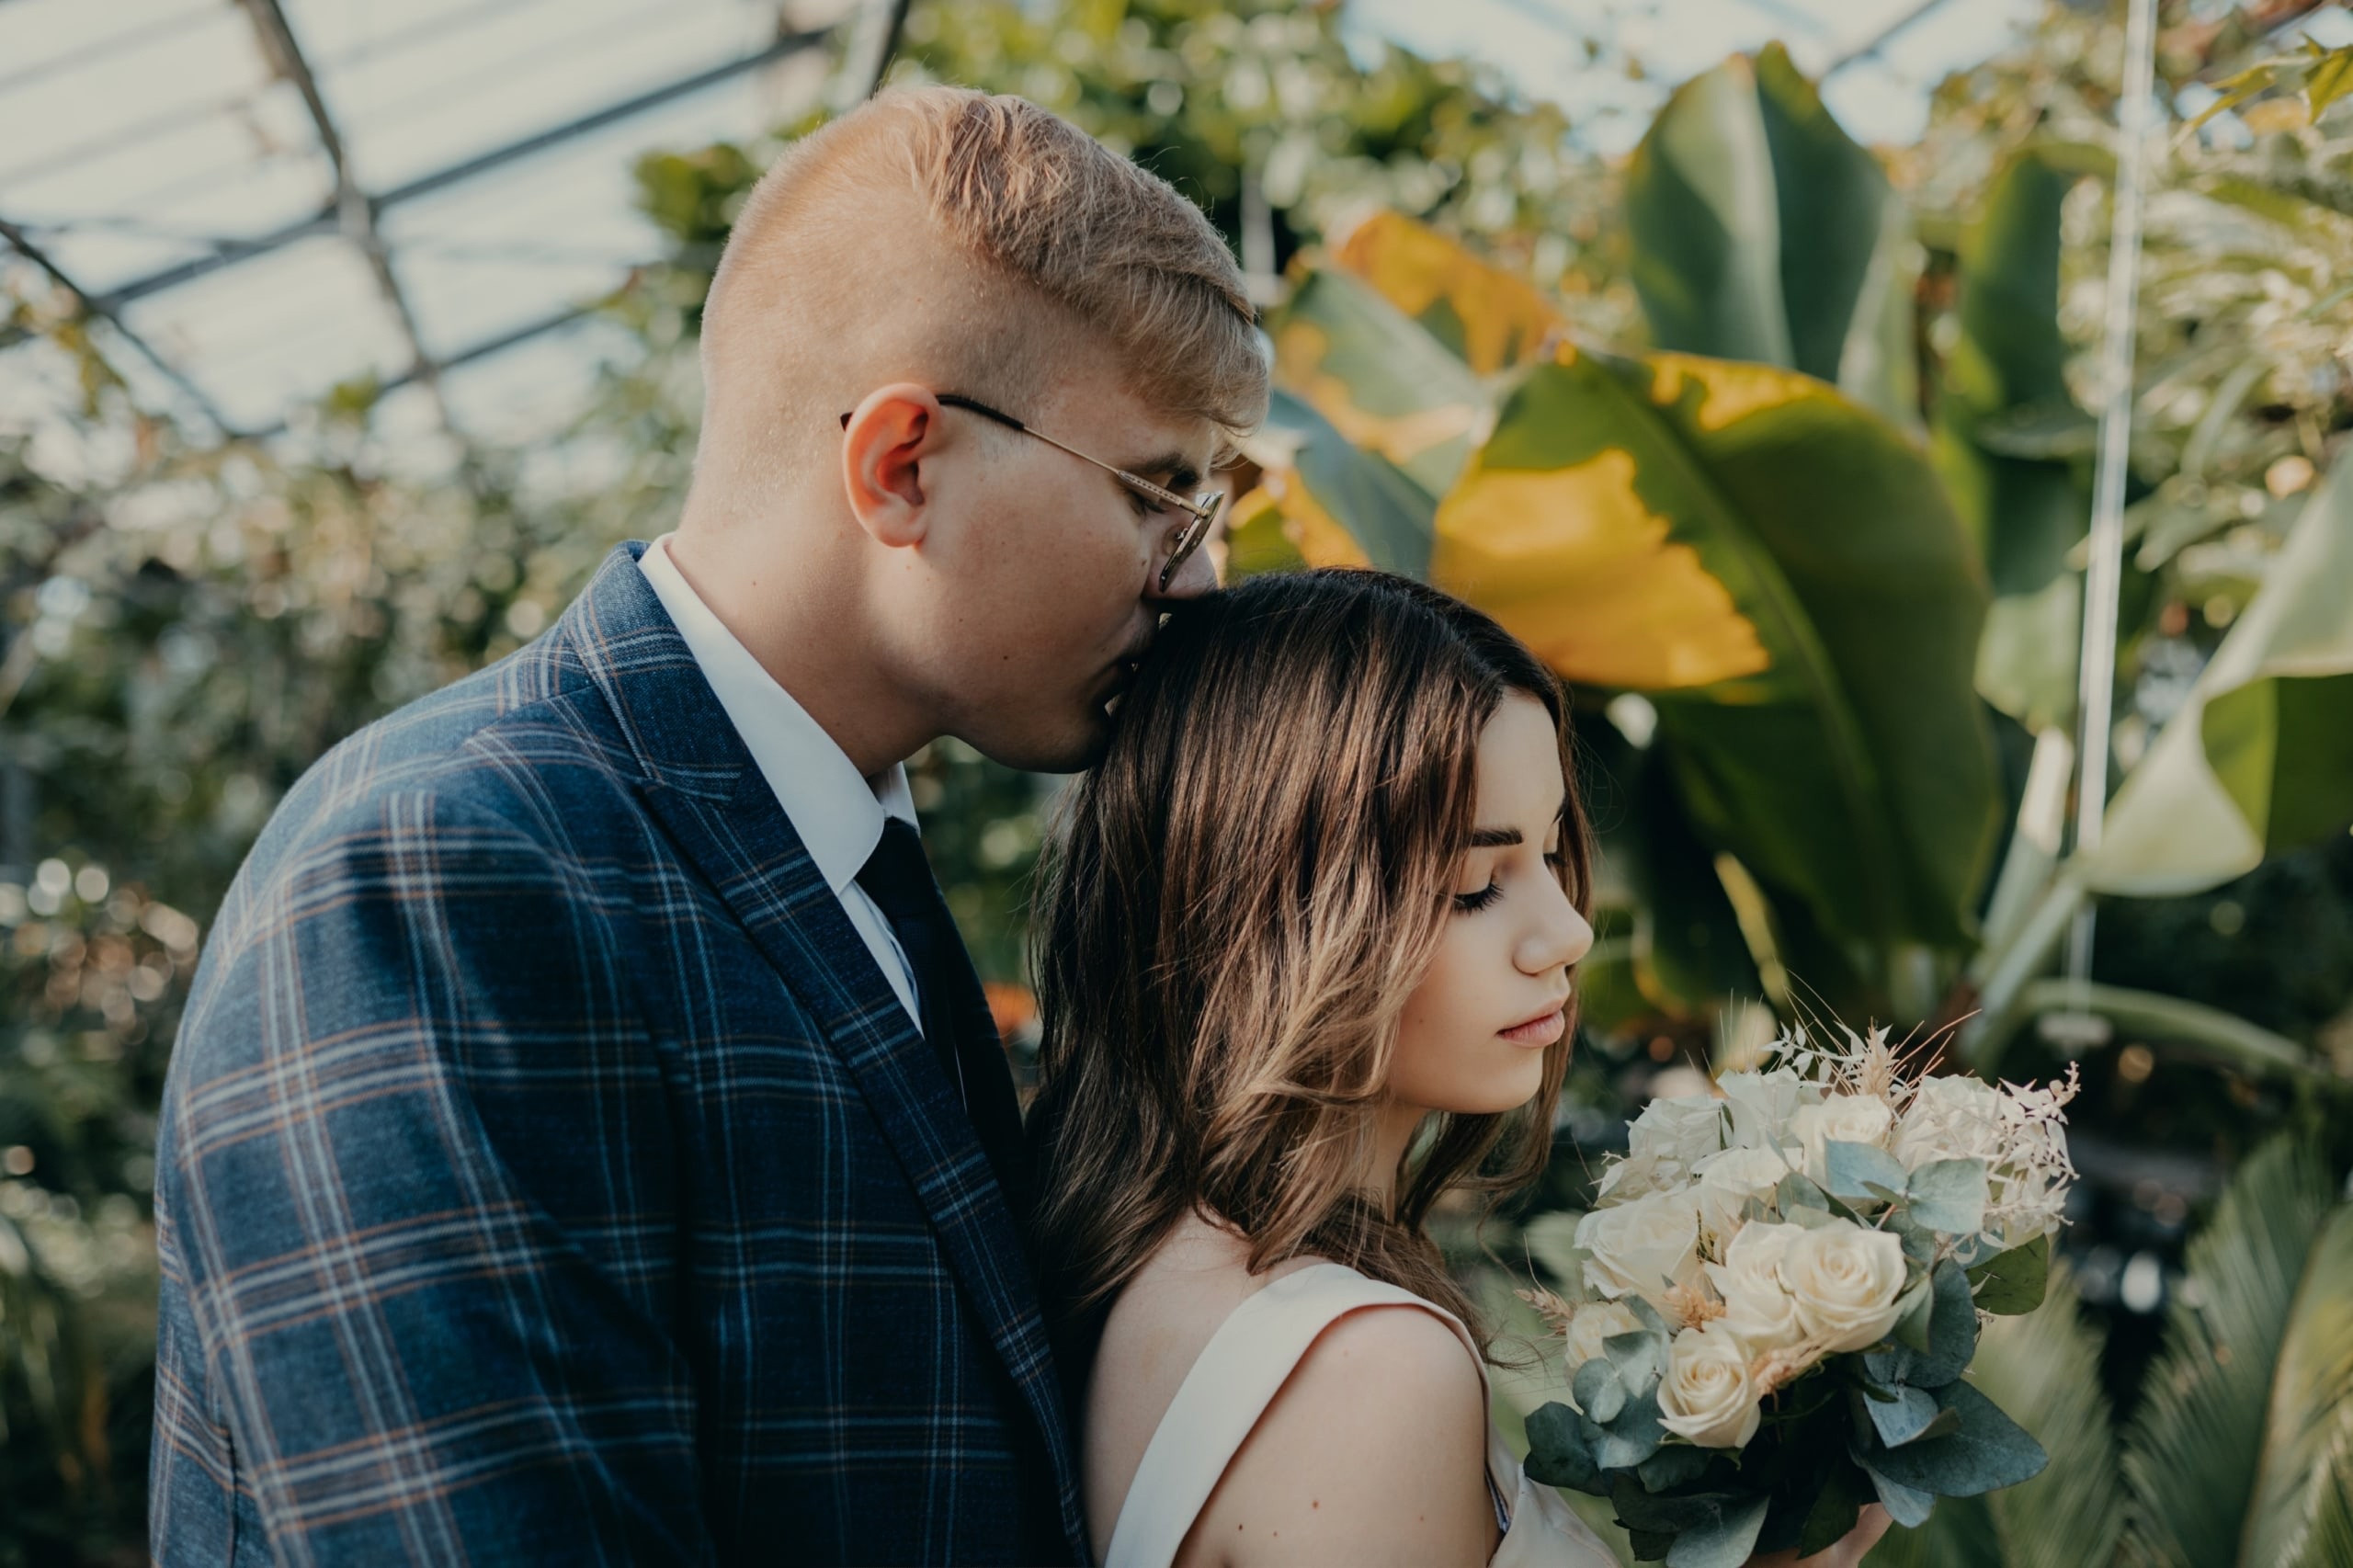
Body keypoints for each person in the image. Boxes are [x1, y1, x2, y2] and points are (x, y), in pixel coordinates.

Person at [147, 85, 1266, 1565]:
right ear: (903, 465)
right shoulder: (444, 870)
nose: (1191, 580)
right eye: (1160, 493)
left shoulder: (853, 860)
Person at [1029, 570, 1892, 1568]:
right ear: (1271, 917)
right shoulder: (1364, 1370)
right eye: (1475, 885)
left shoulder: (1134, 1253)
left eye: (1553, 850)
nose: (1565, 931)